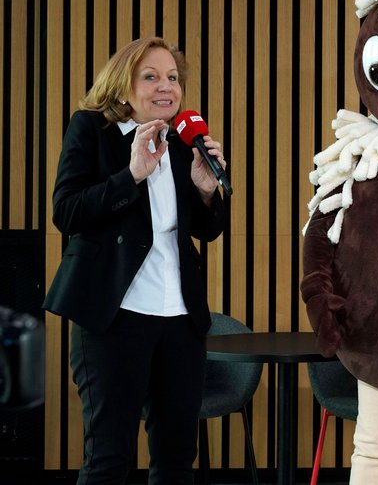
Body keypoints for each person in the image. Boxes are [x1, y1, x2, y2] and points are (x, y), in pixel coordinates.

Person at [44, 37, 227, 484]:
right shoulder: (92, 130)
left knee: (177, 456)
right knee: (109, 457)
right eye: (151, 77)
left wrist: (206, 189)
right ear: (124, 87)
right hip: (114, 316)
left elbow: (207, 230)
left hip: (180, 319)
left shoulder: (186, 141)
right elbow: (66, 211)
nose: (166, 87)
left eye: (172, 78)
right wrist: (131, 176)